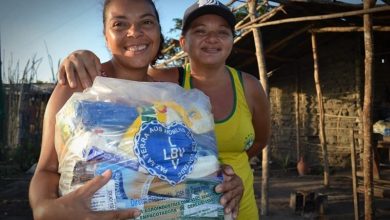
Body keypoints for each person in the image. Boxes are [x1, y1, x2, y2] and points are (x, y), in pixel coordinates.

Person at [29, 0, 243, 219]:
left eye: (146, 22)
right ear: (105, 35)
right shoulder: (79, 86)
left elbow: (191, 164)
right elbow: (46, 169)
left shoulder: (172, 97)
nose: (135, 32)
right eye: (120, 24)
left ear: (159, 31)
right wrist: (44, 208)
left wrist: (224, 181)